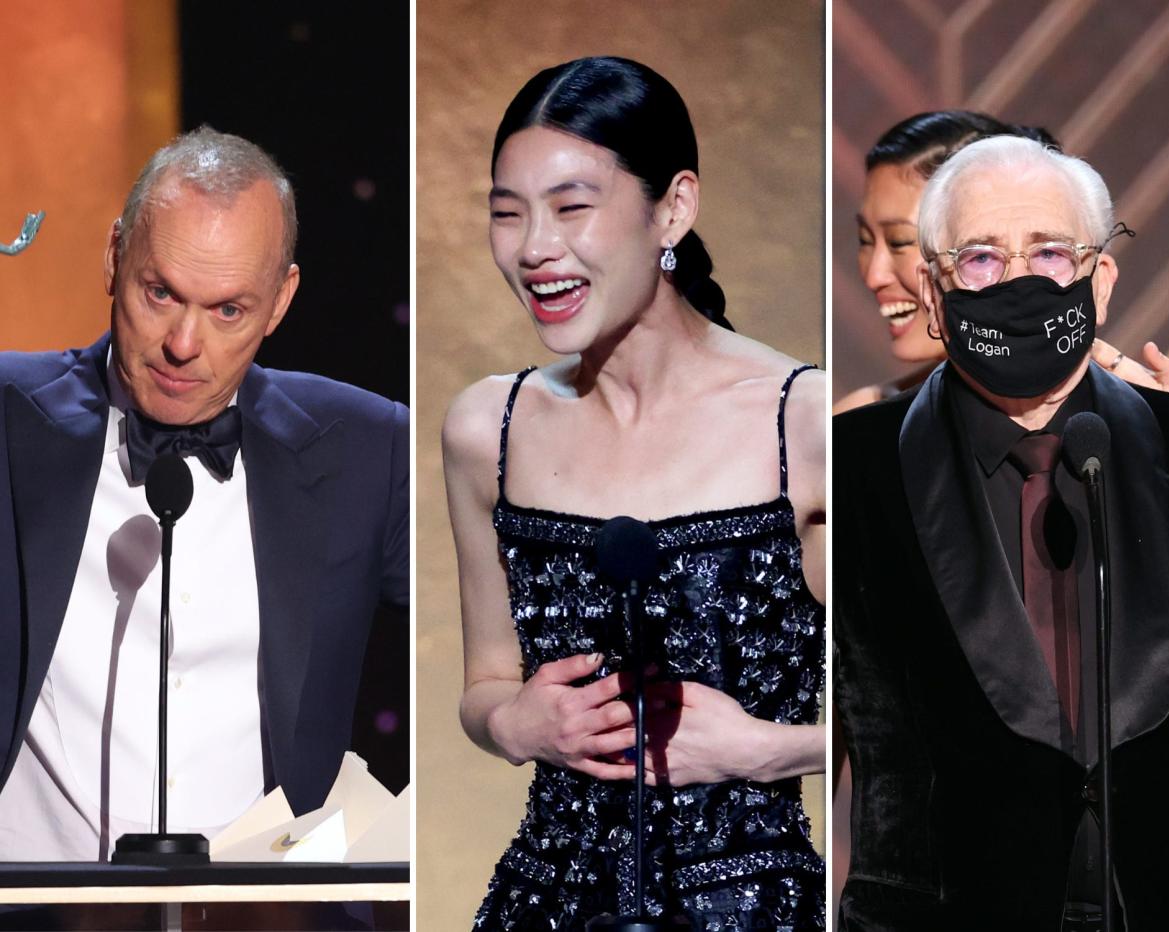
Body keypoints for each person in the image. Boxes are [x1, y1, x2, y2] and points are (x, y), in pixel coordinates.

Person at [442, 57, 826, 929]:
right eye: (507, 214)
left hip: (748, 902)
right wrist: (514, 726)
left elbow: (907, 716)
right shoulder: (485, 431)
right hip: (545, 898)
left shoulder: (797, 423)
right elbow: (487, 683)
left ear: (675, 208)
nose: (535, 247)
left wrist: (767, 751)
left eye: (572, 207)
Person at [834, 134, 1169, 930]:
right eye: (982, 258)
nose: (1019, 281)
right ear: (932, 287)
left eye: (1051, 252)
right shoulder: (850, 472)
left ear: (1103, 278)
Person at [0, 127, 409, 861]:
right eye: (160, 293)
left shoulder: (366, 449)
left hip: (268, 916)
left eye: (228, 311)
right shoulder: (6, 420)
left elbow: (492, 626)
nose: (184, 344)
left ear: (280, 301)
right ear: (114, 256)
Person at [835, 111, 1169, 415]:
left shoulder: (1135, 412)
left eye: (899, 241)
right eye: (866, 241)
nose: (873, 275)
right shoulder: (856, 430)